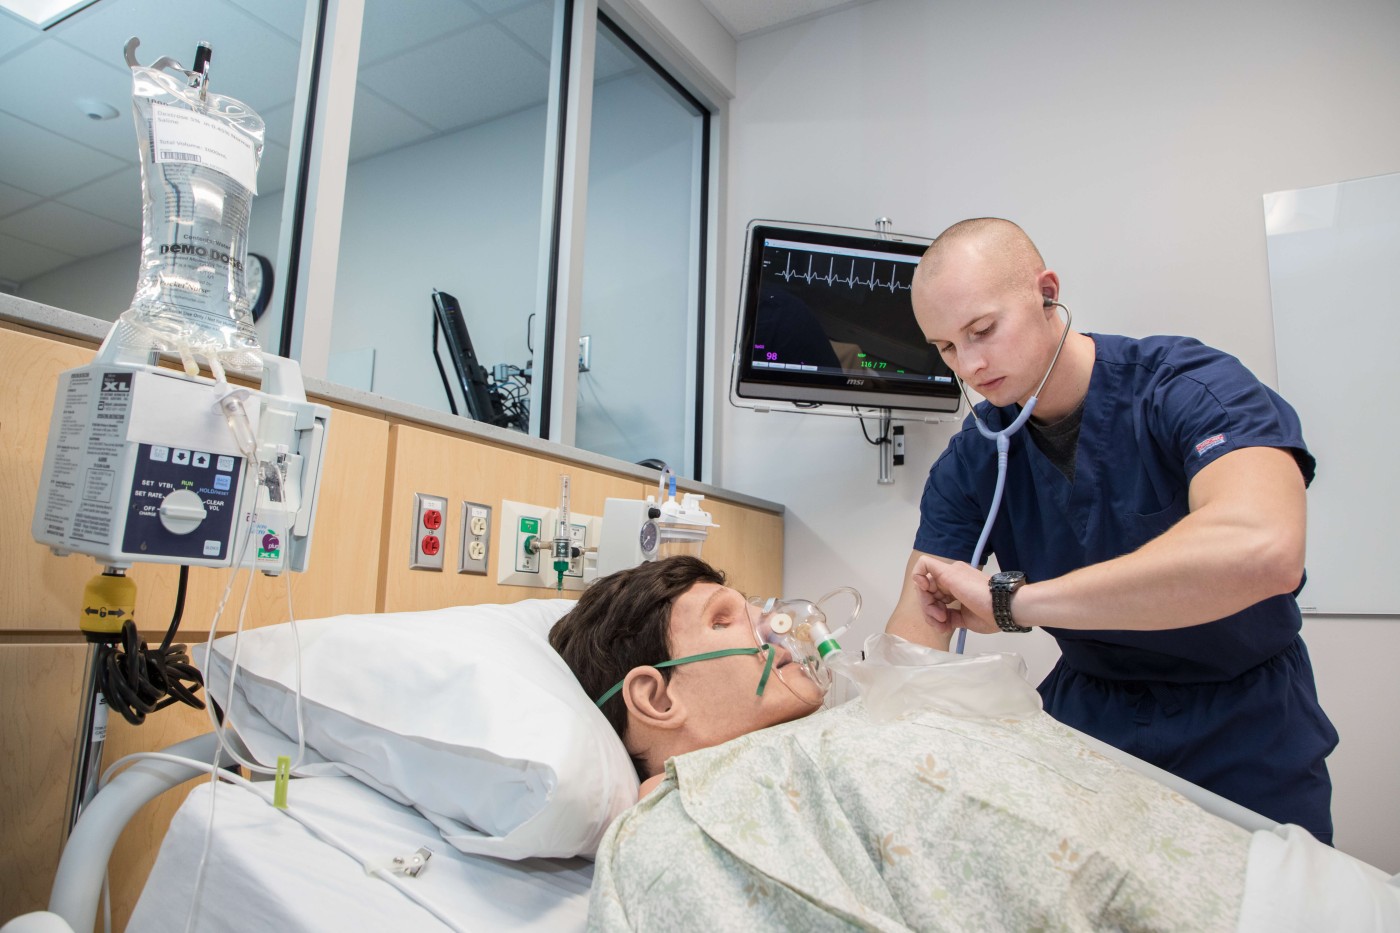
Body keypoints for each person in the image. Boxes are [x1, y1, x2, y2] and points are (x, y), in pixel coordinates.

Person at [549, 557, 1396, 931]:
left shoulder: (842, 724)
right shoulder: (675, 832)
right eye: (729, 621)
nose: (777, 625)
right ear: (654, 694)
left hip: (1285, 886)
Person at [885, 217, 1338, 842]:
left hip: (1244, 719)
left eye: (982, 330)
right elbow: (917, 627)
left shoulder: (1190, 389)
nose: (971, 365)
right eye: (946, 348)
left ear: (1046, 292)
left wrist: (1018, 605)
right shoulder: (975, 458)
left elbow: (1262, 549)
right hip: (1091, 715)